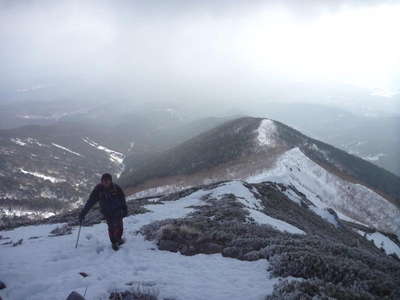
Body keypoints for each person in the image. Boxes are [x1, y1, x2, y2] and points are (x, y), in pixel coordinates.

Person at [79, 173, 127, 251]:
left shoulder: (116, 188)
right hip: (107, 212)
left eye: (107, 181)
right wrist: (83, 213)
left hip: (118, 210)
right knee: (111, 227)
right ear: (101, 181)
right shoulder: (98, 190)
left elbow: (122, 199)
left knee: (119, 226)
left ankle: (118, 239)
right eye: (103, 181)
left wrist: (125, 209)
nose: (105, 183)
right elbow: (90, 202)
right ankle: (114, 243)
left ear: (110, 181)